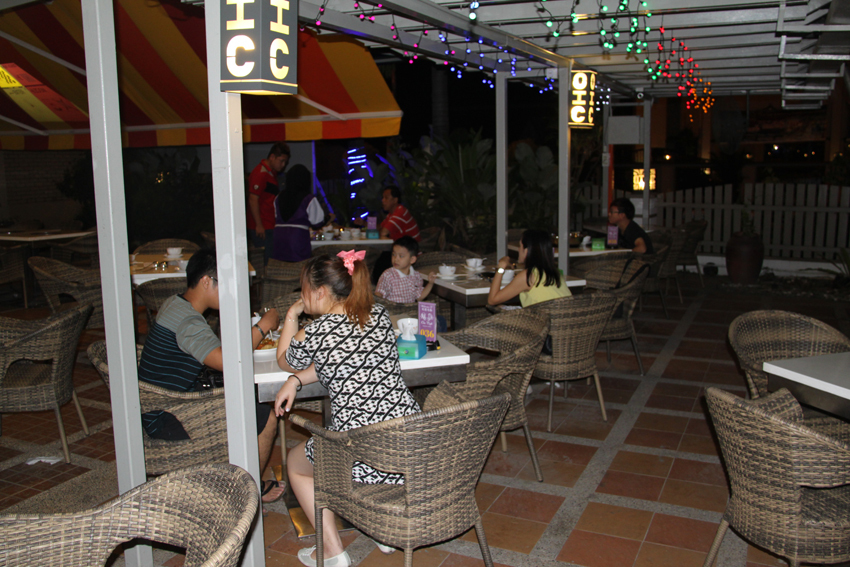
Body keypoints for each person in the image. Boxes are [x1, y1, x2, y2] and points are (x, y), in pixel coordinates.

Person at [274, 251, 420, 567]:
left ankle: (332, 551)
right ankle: (382, 530)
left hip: (361, 449)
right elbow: (340, 360)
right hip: (409, 440)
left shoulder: (315, 331)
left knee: (296, 463)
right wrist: (297, 381)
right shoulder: (378, 314)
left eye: (303, 290)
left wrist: (291, 314)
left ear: (320, 292)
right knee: (358, 441)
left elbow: (284, 359)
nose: (302, 296)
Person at [137, 248, 284, 503]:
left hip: (159, 403)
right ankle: (249, 492)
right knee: (266, 416)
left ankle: (232, 472)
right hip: (168, 416)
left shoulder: (174, 303)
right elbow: (228, 361)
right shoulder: (189, 322)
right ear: (206, 281)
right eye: (226, 283)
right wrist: (264, 326)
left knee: (246, 396)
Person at [487, 228, 572, 308]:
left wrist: (501, 267)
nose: (518, 249)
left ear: (526, 251)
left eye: (520, 246)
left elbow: (492, 300)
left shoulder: (528, 276)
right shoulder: (554, 273)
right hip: (566, 317)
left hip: (546, 318)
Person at [272, 164, 331, 262]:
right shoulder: (308, 198)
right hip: (297, 237)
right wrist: (328, 218)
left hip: (279, 236)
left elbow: (276, 216)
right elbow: (317, 222)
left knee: (280, 264)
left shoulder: (278, 197)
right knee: (300, 265)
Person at [247, 141, 290, 264]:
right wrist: (259, 225)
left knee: (270, 259)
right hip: (263, 225)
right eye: (281, 161)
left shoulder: (270, 173)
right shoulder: (261, 173)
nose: (283, 165)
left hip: (268, 223)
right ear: (272, 157)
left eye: (285, 162)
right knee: (266, 261)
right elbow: (253, 199)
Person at [375, 236, 436, 303]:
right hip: (393, 309)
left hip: (409, 309)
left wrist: (430, 283)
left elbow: (419, 297)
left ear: (412, 259)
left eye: (401, 256)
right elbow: (379, 294)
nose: (396, 259)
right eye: (394, 254)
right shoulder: (388, 275)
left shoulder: (416, 276)